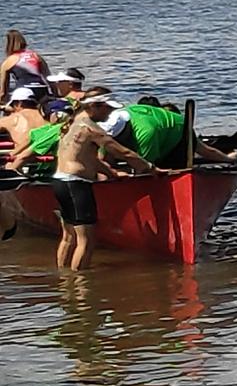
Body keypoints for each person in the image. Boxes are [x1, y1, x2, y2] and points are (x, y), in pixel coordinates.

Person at [49, 98, 160, 270]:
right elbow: (122, 152)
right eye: (107, 110)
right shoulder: (90, 128)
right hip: (76, 185)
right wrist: (149, 167)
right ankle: (79, 286)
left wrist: (112, 173)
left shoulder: (72, 125)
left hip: (60, 182)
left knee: (69, 236)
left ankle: (63, 278)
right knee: (87, 240)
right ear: (94, 107)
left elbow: (89, 159)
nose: (110, 114)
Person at [1, 30, 49, 101]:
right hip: (42, 89)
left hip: (24, 90)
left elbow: (3, 91)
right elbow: (47, 76)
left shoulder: (9, 60)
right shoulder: (36, 56)